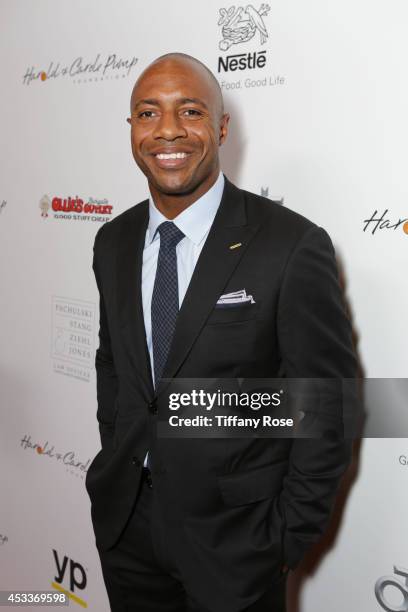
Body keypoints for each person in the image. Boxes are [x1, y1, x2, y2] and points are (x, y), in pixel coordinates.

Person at [85, 52, 357, 612]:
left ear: (221, 126)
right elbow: (113, 363)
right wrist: (117, 452)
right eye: (147, 113)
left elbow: (324, 403)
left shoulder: (290, 245)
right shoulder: (112, 241)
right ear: (132, 127)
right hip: (127, 531)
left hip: (239, 543)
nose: (167, 131)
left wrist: (285, 537)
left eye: (189, 111)